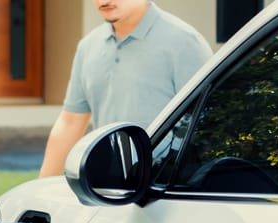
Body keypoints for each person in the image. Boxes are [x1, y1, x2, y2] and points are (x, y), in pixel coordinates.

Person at [38, 0, 213, 177]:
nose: (103, 1)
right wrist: (40, 187)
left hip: (167, 184)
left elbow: (208, 124)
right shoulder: (88, 46)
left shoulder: (185, 42)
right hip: (108, 185)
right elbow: (71, 122)